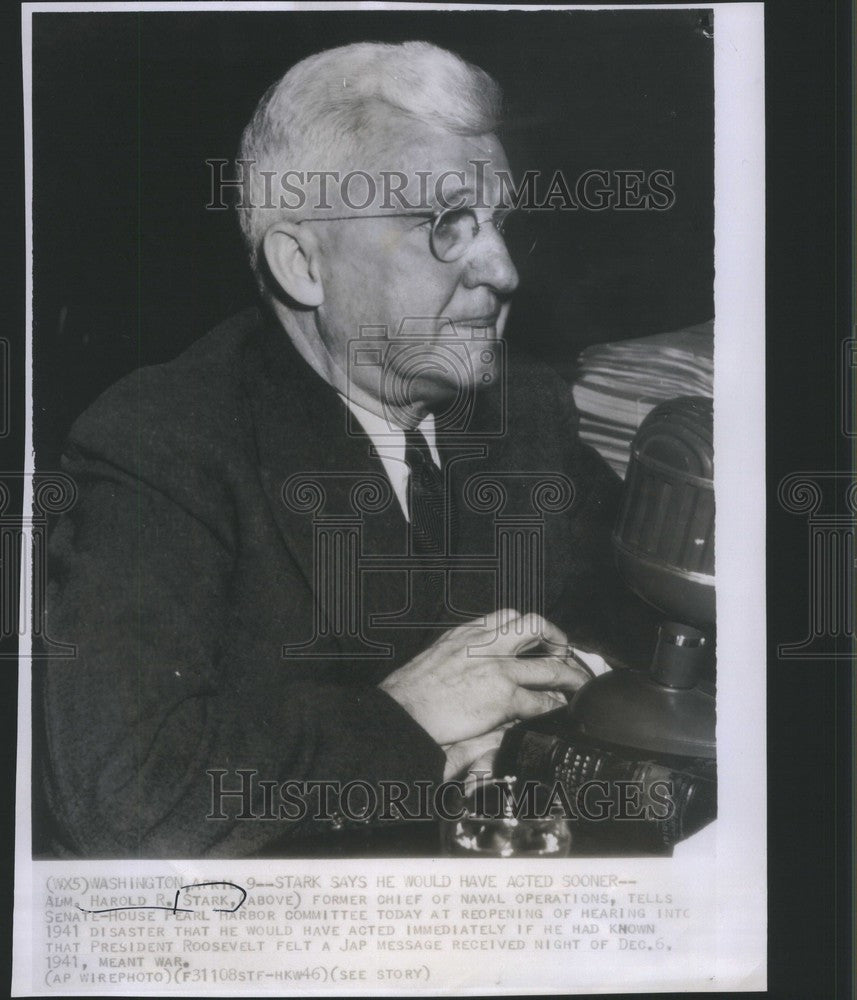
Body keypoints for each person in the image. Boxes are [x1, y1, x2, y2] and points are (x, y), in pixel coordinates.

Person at [36, 41, 658, 858]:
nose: (502, 271)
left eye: (500, 223)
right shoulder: (161, 443)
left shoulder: (523, 407)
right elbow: (125, 801)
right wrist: (409, 719)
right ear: (303, 265)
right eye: (445, 226)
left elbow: (655, 639)